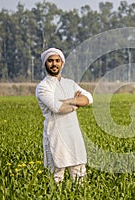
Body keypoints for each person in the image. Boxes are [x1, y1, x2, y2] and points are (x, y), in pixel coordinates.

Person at [35, 48, 93, 184]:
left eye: (57, 61)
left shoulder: (70, 84)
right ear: (45, 63)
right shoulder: (43, 87)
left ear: (62, 63)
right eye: (50, 61)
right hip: (55, 135)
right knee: (56, 177)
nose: (54, 64)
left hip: (73, 135)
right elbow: (58, 108)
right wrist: (77, 104)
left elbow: (89, 98)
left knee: (80, 176)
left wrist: (69, 101)